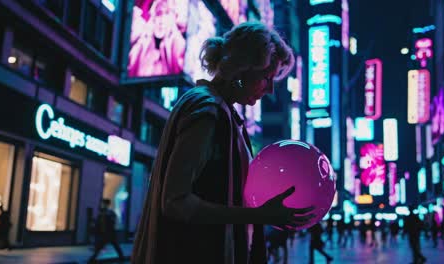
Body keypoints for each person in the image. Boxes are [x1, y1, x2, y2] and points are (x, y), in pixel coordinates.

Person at [131, 21, 316, 264]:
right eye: (266, 77)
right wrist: (258, 215)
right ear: (241, 71)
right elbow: (175, 201)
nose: (270, 89)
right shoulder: (207, 110)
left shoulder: (221, 112)